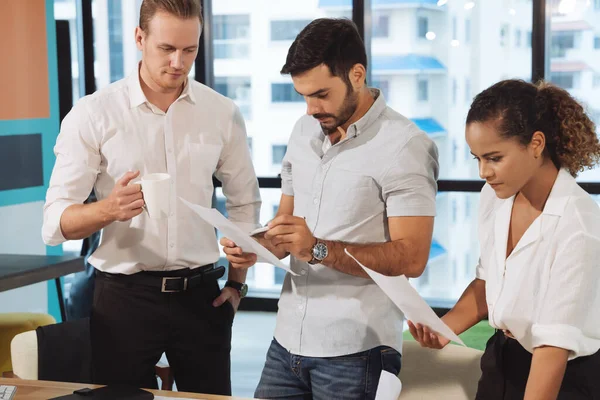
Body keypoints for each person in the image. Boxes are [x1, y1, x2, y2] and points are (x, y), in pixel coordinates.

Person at [42, 0, 261, 395]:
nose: (179, 62)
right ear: (139, 38)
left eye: (189, 50)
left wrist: (237, 285)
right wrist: (108, 209)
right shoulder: (93, 114)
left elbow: (245, 200)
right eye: (166, 49)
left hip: (203, 299)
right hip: (122, 300)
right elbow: (53, 225)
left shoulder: (221, 112)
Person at [221, 18, 439, 400]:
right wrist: (254, 246)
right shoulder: (303, 131)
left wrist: (319, 249)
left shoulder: (406, 145)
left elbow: (413, 256)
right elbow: (286, 230)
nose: (310, 109)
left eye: (321, 94)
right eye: (303, 96)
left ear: (357, 74)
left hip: (357, 351)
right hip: (286, 340)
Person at [409, 79, 600, 399]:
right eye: (477, 158)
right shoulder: (494, 196)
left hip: (564, 372)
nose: (484, 171)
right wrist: (445, 328)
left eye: (495, 158)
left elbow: (553, 347)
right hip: (503, 357)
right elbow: (490, 282)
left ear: (536, 144)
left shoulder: (579, 227)